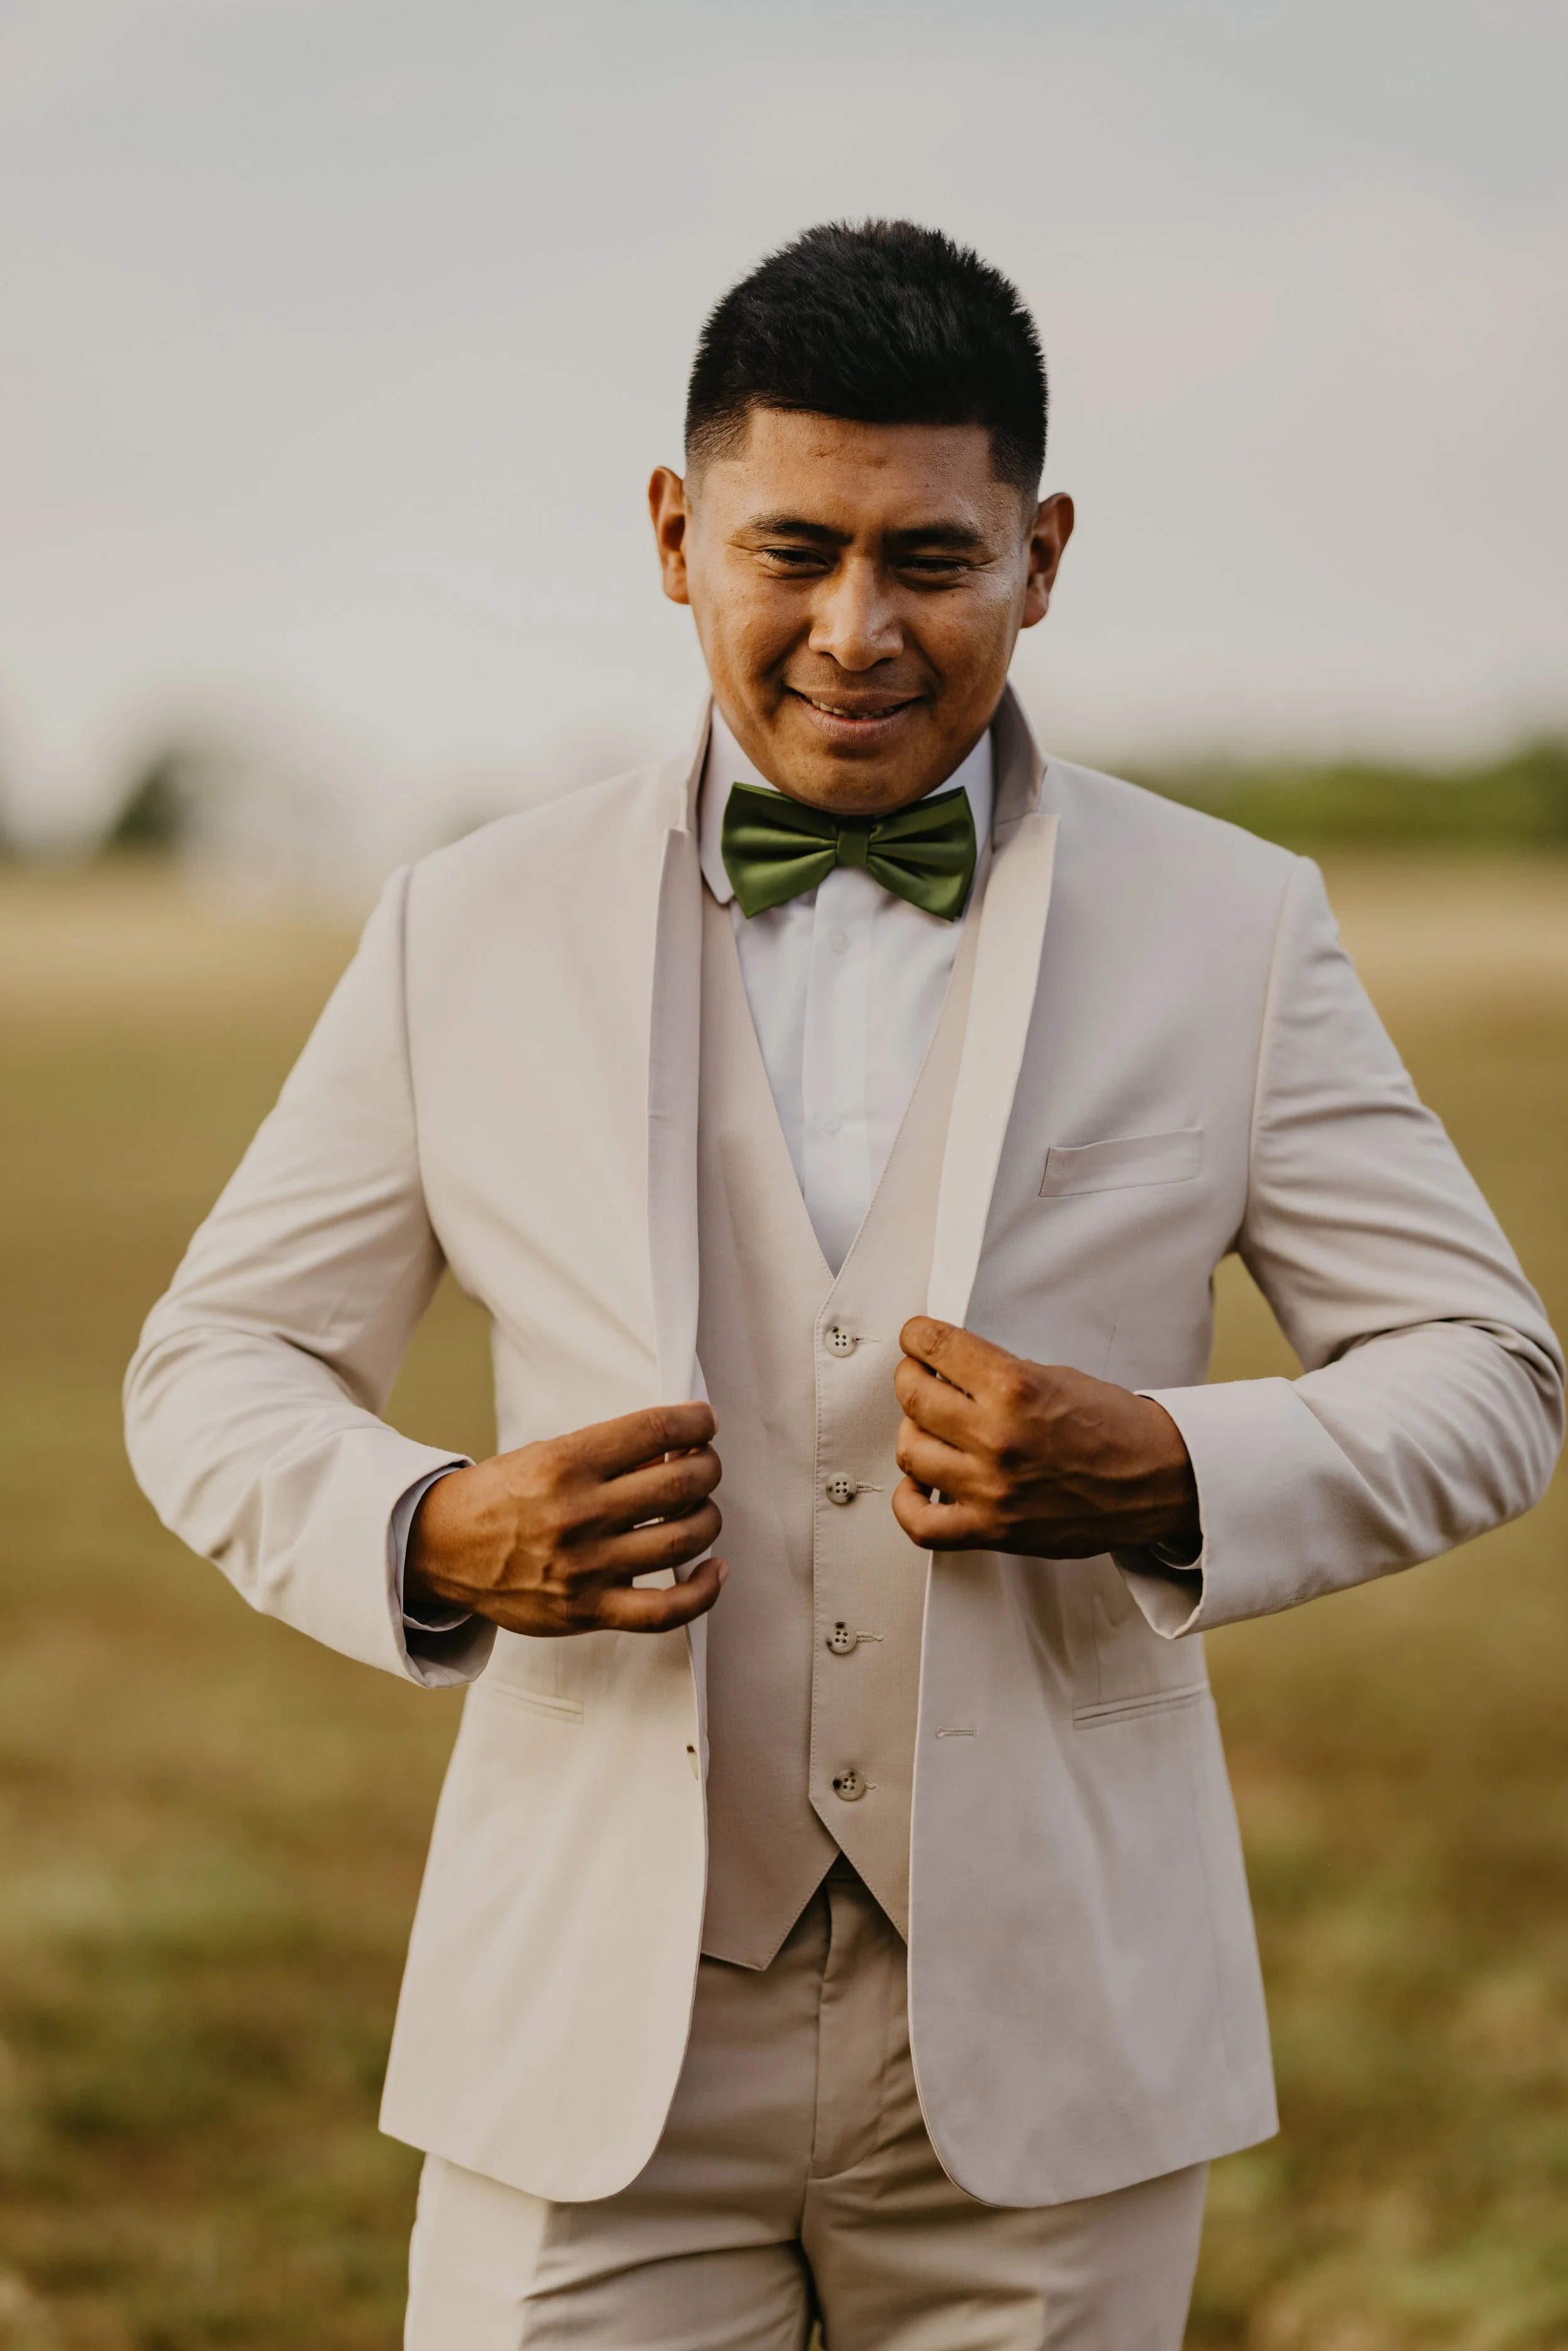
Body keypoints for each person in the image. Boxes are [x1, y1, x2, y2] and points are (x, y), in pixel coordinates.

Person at [124, 221, 1564, 2349]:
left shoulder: (1231, 929)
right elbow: (213, 1360)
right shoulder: (466, 924)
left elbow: (1491, 1372)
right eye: (790, 551)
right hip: (590, 2050)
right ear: (673, 532)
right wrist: (426, 1526)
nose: (855, 630)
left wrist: (1172, 1465)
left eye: (931, 559)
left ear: (1041, 553)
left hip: (1052, 2046)